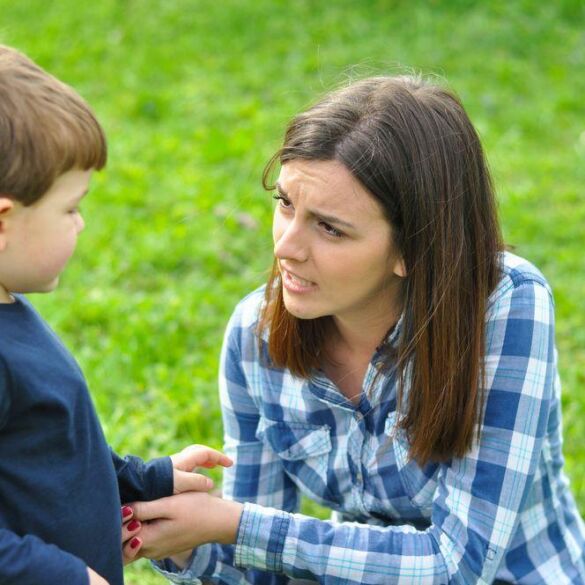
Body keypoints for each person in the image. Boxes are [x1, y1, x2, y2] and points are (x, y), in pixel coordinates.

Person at [128, 75, 585, 584]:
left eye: (329, 228)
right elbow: (261, 571)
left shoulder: (503, 305)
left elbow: (457, 565)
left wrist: (234, 525)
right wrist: (180, 540)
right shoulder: (255, 336)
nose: (285, 247)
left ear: (414, 249)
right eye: (284, 204)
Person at [0, 45, 232, 585]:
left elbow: (52, 452)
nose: (80, 225)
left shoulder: (12, 309)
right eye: (71, 208)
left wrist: (144, 478)